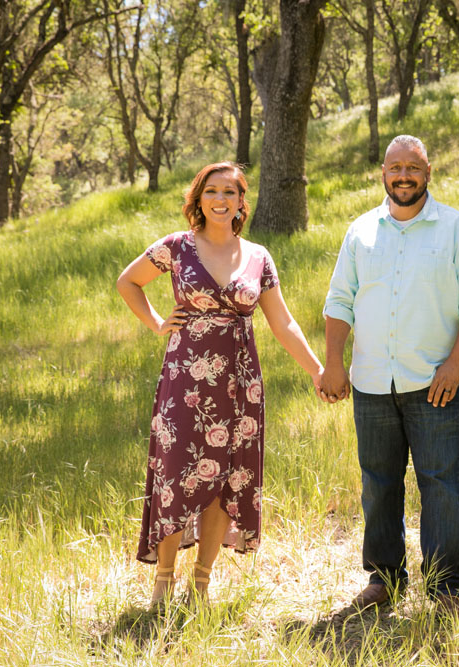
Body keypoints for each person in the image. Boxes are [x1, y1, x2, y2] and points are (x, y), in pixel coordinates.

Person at [116, 161, 324, 607]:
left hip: (240, 382)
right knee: (176, 476)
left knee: (224, 480)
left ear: (241, 202)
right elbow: (128, 281)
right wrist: (156, 322)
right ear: (198, 198)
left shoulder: (259, 256)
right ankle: (163, 586)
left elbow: (283, 323)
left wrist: (317, 370)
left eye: (229, 192)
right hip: (185, 380)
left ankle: (202, 585)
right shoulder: (176, 247)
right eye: (211, 191)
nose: (220, 200)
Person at [319, 135, 459, 612]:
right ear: (383, 173)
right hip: (372, 382)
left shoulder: (455, 229)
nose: (403, 176)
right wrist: (334, 361)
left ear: (428, 172)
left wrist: (456, 364)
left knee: (442, 485)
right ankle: (384, 580)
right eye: (395, 168)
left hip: (434, 383)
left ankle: (443, 588)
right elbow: (339, 301)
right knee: (378, 484)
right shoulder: (360, 232)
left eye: (412, 168)